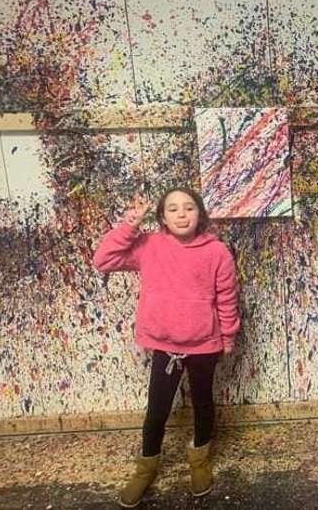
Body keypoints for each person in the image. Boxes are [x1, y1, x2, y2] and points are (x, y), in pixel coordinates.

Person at [93, 187, 240, 508]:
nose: (182, 214)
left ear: (200, 214)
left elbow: (227, 298)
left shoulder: (217, 252)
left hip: (204, 344)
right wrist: (130, 226)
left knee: (203, 403)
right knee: (157, 409)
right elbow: (103, 260)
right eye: (173, 209)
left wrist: (228, 336)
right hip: (165, 345)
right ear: (162, 217)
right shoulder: (150, 245)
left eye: (189, 208)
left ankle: (199, 461)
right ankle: (146, 467)